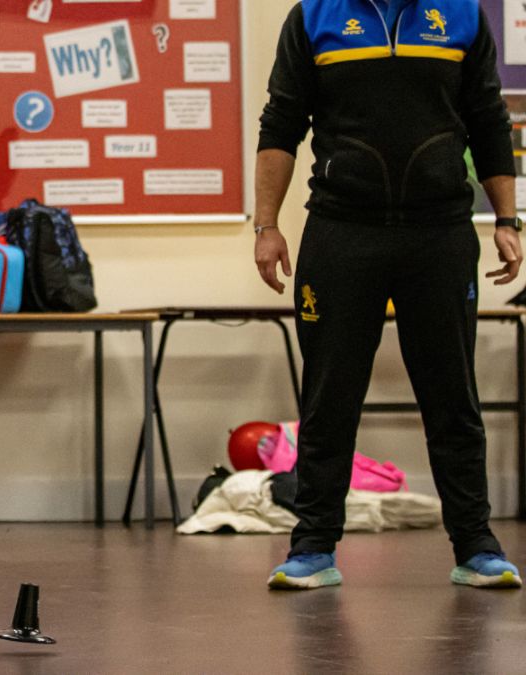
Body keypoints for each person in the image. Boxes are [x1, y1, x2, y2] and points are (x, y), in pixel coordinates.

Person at [253, 0, 523, 590]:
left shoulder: (463, 18)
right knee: (329, 395)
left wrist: (507, 218)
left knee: (452, 393)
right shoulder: (314, 17)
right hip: (341, 232)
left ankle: (476, 545)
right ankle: (313, 549)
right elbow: (280, 124)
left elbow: (487, 117)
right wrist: (266, 225)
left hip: (441, 233)